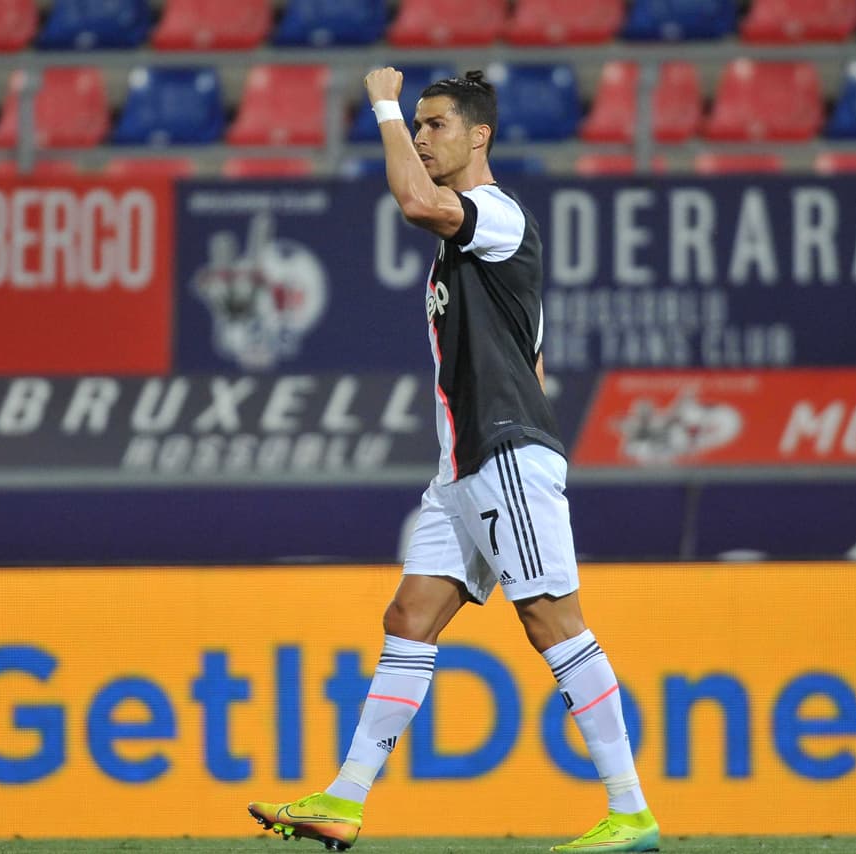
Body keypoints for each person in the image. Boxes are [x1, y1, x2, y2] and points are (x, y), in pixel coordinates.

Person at [248, 67, 659, 854]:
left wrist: (385, 108)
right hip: (463, 468)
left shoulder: (496, 215)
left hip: (501, 454)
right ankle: (344, 798)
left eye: (437, 125)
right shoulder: (464, 259)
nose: (425, 137)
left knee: (551, 623)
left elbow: (417, 202)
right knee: (407, 618)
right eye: (419, 125)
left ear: (480, 136)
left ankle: (631, 810)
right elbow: (531, 355)